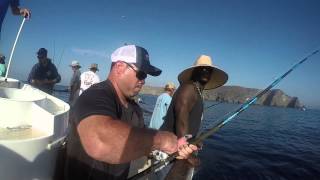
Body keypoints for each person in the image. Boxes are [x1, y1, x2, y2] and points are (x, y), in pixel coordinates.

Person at [64, 45, 198, 180]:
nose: (143, 80)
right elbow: (100, 141)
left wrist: (176, 147)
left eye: (145, 76)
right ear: (120, 67)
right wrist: (163, 140)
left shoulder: (135, 109)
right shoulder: (95, 95)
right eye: (141, 74)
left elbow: (142, 141)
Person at [160, 55, 228, 179]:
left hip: (178, 149)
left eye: (209, 69)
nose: (205, 71)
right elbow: (181, 122)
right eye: (202, 68)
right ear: (194, 71)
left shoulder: (196, 91)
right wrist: (189, 156)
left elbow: (190, 121)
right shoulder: (188, 89)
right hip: (169, 151)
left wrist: (196, 139)